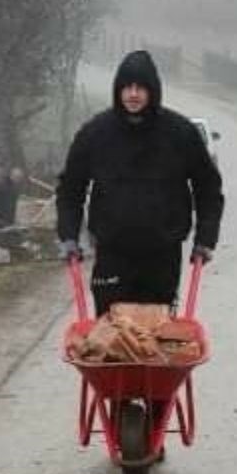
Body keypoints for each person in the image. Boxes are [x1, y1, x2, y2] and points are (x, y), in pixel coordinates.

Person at [56, 50, 225, 316]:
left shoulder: (179, 134)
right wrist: (68, 235)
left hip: (162, 255)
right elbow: (70, 189)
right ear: (118, 90)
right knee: (111, 335)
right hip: (112, 253)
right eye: (127, 87)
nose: (133, 94)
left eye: (140, 87)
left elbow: (208, 189)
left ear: (153, 91)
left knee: (155, 338)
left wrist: (206, 238)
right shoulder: (96, 134)